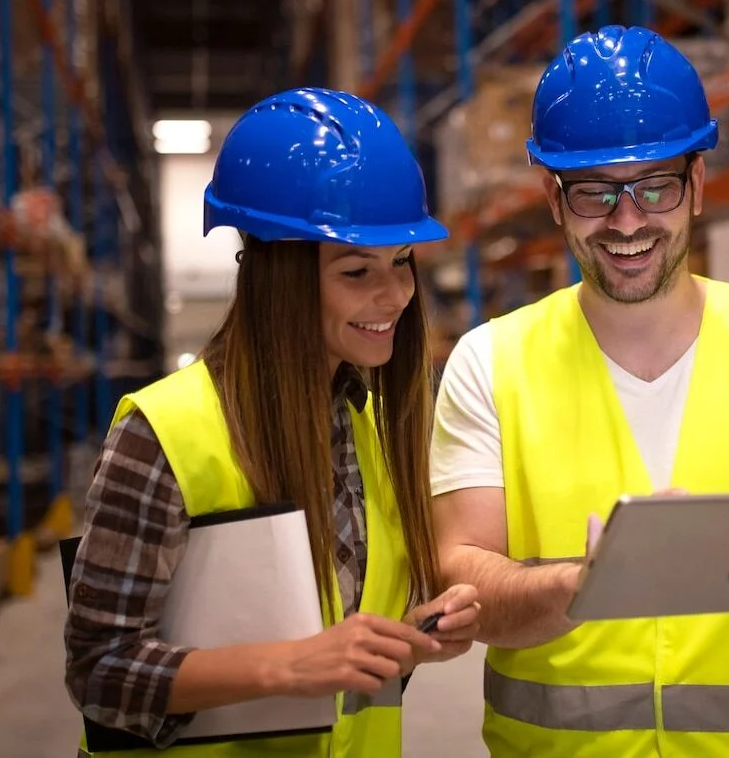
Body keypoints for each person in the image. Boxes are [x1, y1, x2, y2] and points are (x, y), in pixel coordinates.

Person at [430, 26, 729, 757]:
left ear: (697, 184)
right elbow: (462, 573)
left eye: (655, 186)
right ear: (553, 199)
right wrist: (583, 586)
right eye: (596, 194)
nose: (628, 222)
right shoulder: (490, 361)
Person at [64, 88, 481, 757]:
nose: (395, 296)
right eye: (356, 270)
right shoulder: (165, 434)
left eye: (402, 263)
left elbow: (343, 634)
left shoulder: (365, 423)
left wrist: (405, 638)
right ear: (279, 279)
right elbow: (99, 671)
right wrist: (286, 667)